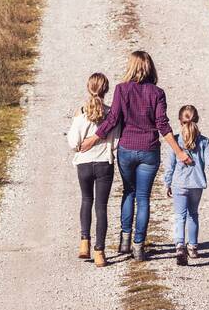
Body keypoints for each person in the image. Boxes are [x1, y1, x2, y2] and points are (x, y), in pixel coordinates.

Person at [80, 50, 192, 262]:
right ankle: (139, 246)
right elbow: (162, 124)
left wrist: (92, 140)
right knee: (143, 198)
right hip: (149, 150)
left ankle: (125, 239)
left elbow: (112, 119)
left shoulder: (122, 90)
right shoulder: (157, 93)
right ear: (150, 67)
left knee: (128, 192)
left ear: (131, 67)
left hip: (127, 149)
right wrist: (178, 151)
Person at [67, 73, 118, 267]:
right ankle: (100, 252)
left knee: (86, 200)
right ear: (106, 90)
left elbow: (73, 143)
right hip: (104, 162)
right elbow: (116, 141)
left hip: (84, 164)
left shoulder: (80, 113)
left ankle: (84, 243)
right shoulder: (112, 113)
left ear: (88, 88)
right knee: (101, 207)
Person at [163, 104, 209, 265]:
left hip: (179, 184)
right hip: (196, 184)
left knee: (179, 216)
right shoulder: (204, 141)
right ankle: (193, 247)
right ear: (197, 120)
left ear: (180, 121)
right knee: (193, 214)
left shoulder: (175, 141)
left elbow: (170, 165)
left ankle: (180, 246)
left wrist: (167, 183)